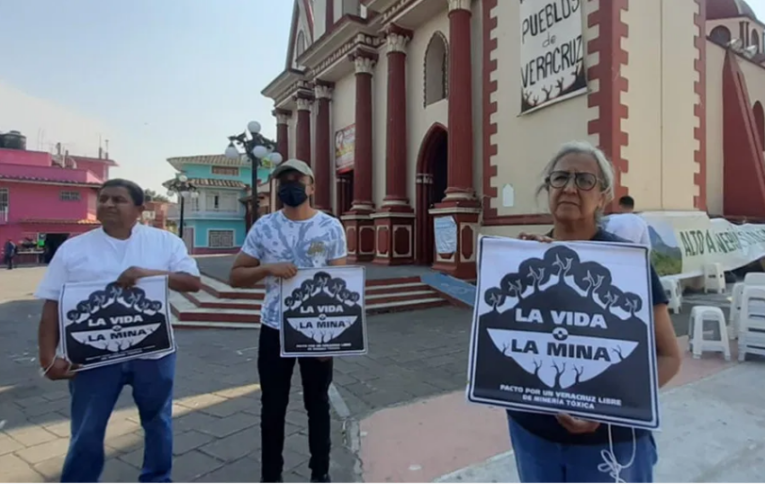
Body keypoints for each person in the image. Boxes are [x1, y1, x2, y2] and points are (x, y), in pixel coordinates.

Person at [509, 141, 682, 483]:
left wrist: (607, 409)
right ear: (548, 189)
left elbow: (669, 358)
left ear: (603, 196)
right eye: (560, 178)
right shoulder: (521, 259)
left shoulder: (627, 265)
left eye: (585, 180)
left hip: (608, 446)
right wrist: (515, 265)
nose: (570, 187)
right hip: (533, 438)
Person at [34, 178, 202, 483]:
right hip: (92, 356)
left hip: (152, 353)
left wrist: (145, 274)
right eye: (104, 199)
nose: (108, 204)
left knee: (157, 421)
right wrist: (48, 357)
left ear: (140, 209)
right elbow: (51, 306)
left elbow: (192, 282)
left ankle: (157, 480)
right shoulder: (73, 249)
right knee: (87, 428)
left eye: (118, 200)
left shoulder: (165, 243)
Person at [229, 159, 347, 483]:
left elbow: (341, 282)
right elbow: (236, 275)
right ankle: (271, 478)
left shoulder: (331, 227)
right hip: (274, 328)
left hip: (316, 330)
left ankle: (320, 475)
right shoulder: (263, 227)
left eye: (297, 180)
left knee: (318, 404)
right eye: (284, 181)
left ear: (312, 186)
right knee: (273, 407)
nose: (290, 186)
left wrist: (333, 336)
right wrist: (268, 268)